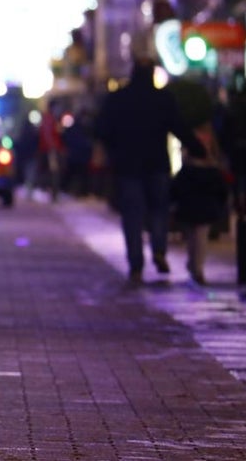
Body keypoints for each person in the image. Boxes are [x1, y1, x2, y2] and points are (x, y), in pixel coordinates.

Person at [93, 49, 207, 284]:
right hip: (157, 164)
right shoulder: (162, 99)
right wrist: (198, 148)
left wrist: (114, 150)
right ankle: (158, 249)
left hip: (128, 167)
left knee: (133, 216)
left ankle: (136, 266)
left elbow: (101, 129)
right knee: (159, 210)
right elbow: (179, 126)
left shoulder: (119, 98)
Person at [171, 124, 229, 285]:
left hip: (191, 208)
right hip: (203, 208)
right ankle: (196, 267)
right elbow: (221, 190)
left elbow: (176, 189)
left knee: (194, 238)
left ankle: (195, 267)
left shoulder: (188, 170)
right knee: (198, 238)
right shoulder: (212, 170)